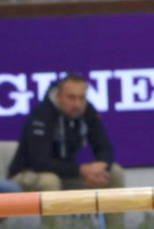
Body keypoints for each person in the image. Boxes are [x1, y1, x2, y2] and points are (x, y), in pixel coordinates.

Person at [8, 74, 125, 228]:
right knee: (50, 181)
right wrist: (81, 170)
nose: (77, 103)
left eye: (81, 98)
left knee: (114, 172)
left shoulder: (86, 111)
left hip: (66, 175)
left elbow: (104, 147)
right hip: (26, 175)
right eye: (71, 97)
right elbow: (39, 162)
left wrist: (99, 168)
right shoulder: (41, 115)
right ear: (59, 95)